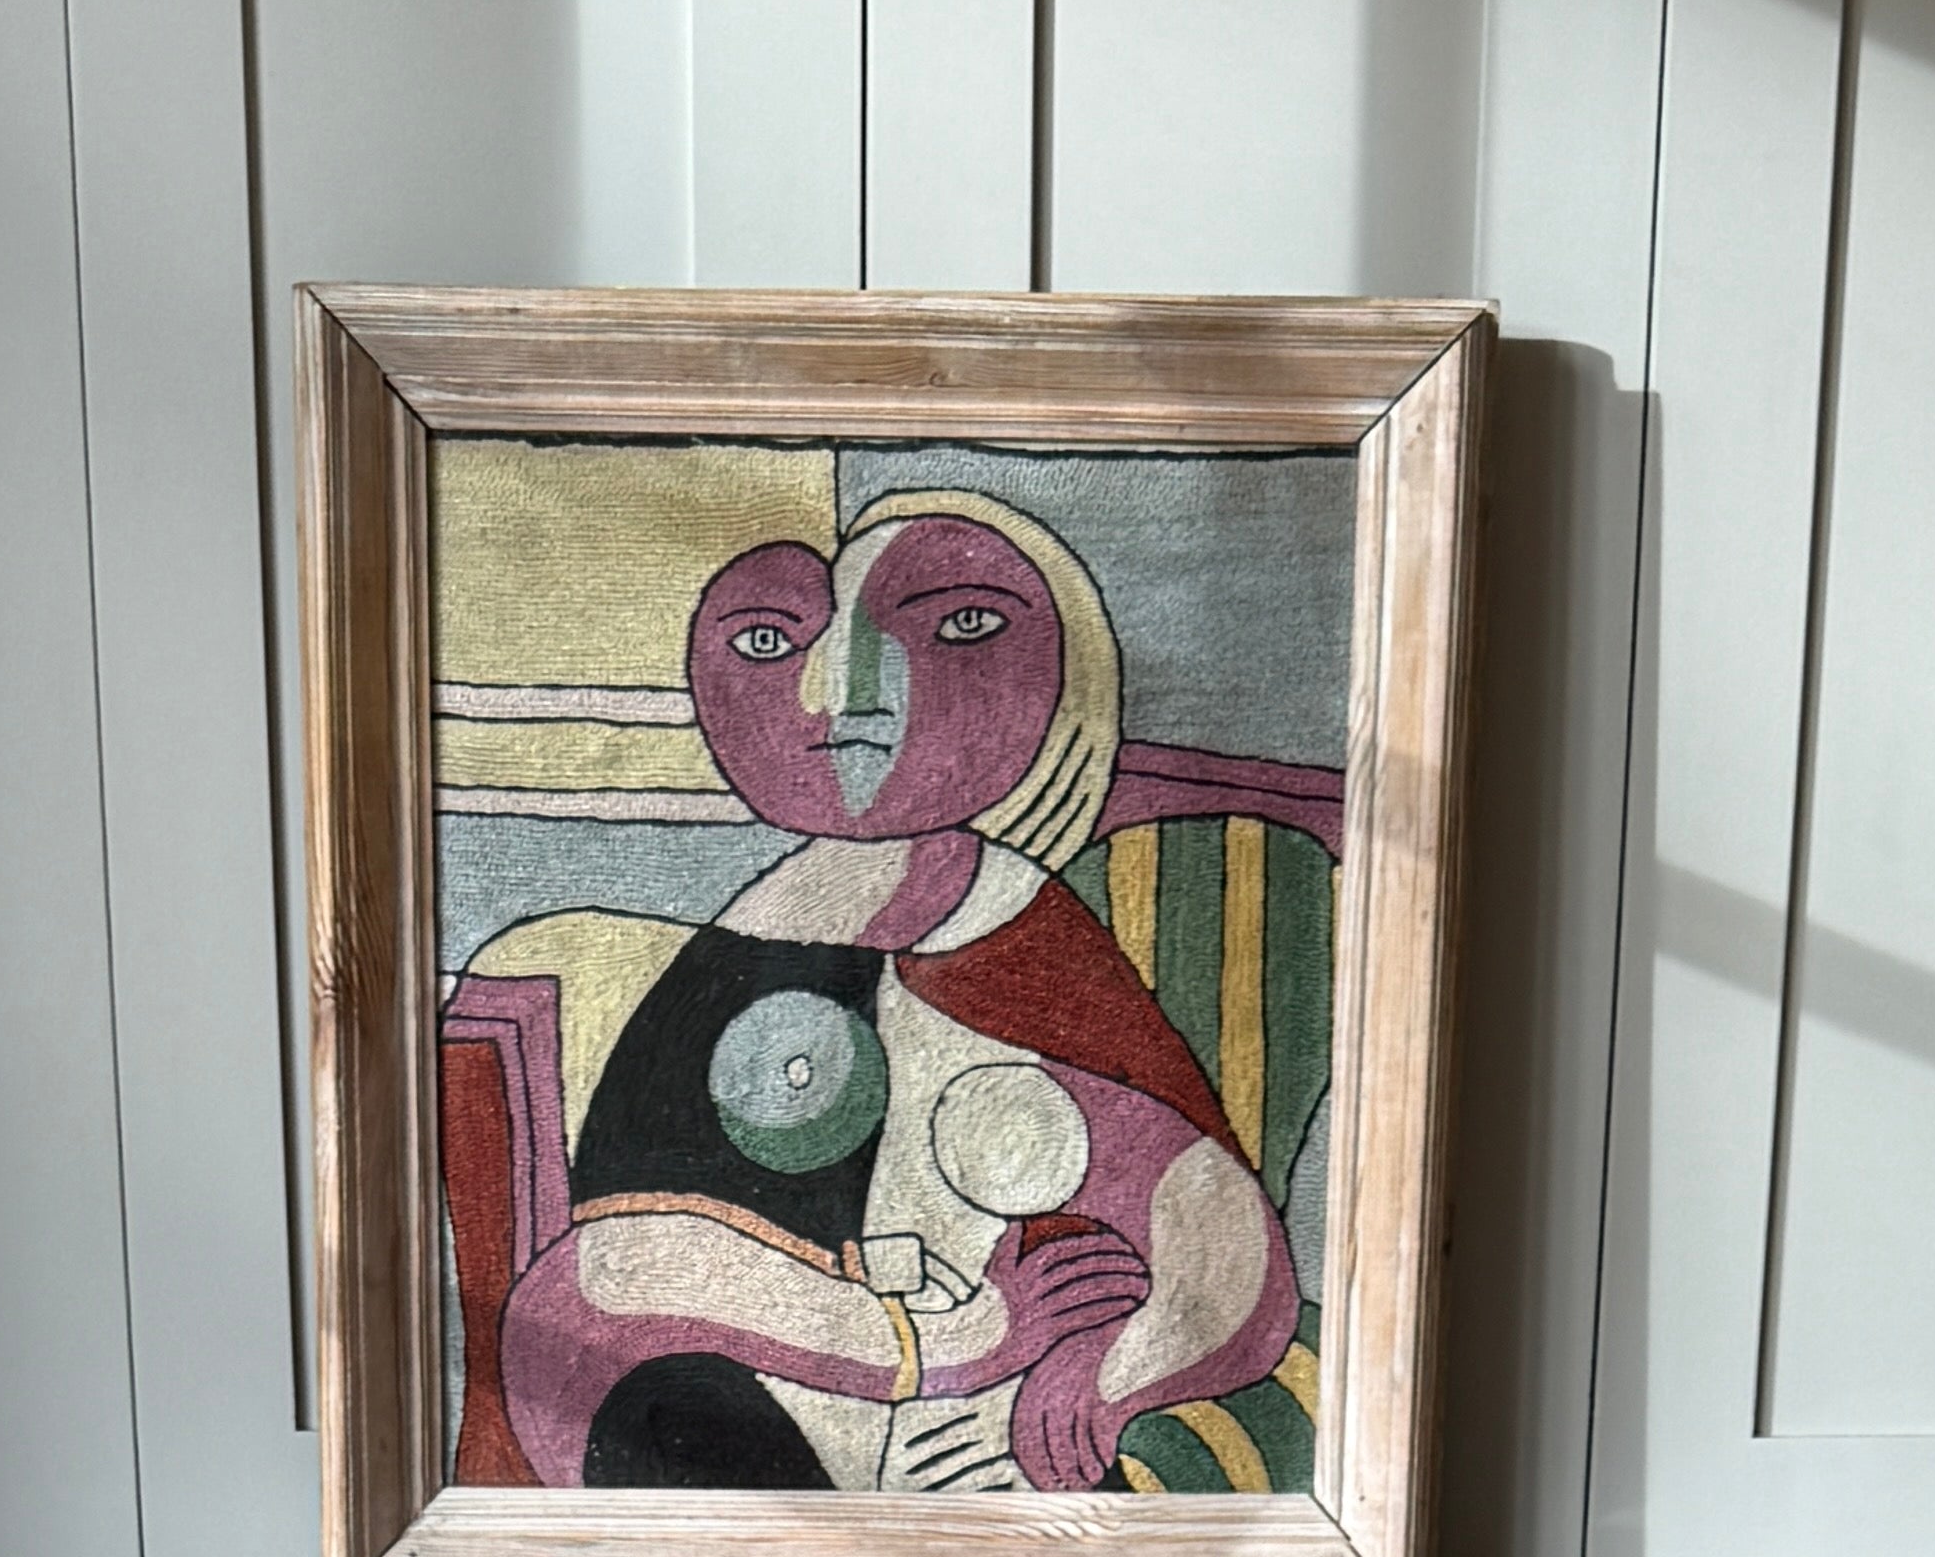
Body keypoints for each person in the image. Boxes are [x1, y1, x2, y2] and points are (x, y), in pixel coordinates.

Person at [446, 488, 1301, 1499]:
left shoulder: (1008, 938)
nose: (844, 692)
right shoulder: (747, 937)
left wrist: (1103, 1377)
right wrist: (937, 1337)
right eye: (768, 640)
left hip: (954, 1456)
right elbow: (611, 1278)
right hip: (736, 1415)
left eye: (963, 627)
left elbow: (1216, 1238)